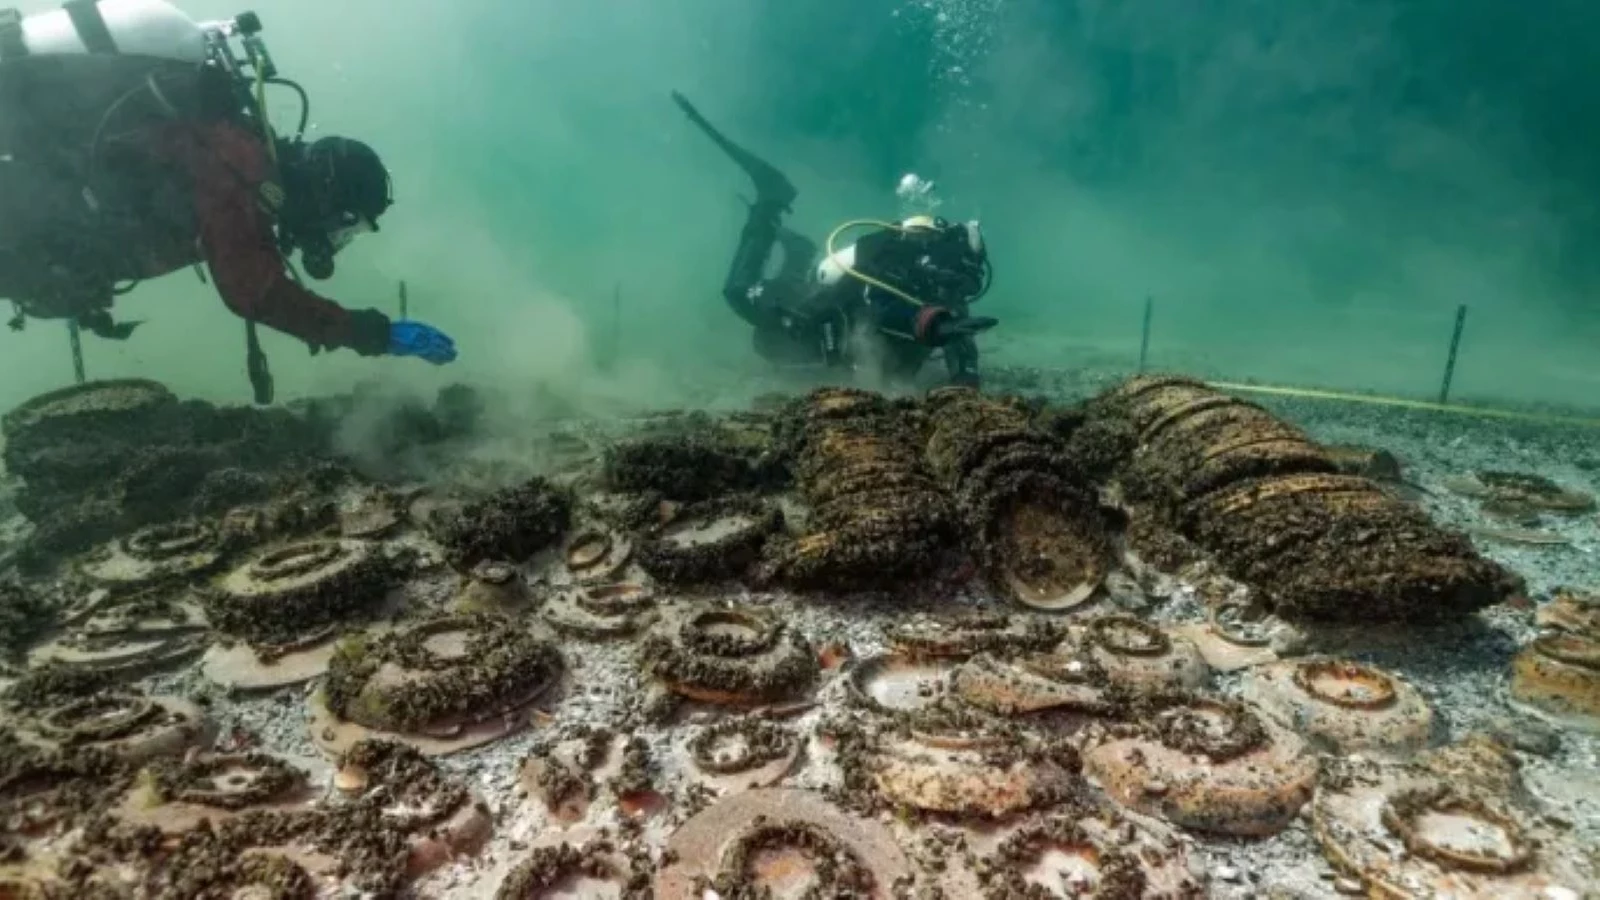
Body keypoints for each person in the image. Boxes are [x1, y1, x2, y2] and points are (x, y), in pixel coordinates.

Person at [0, 0, 455, 391]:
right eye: (345, 226)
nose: (335, 240)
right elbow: (254, 292)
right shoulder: (240, 162)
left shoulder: (239, 148)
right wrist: (375, 334)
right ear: (326, 194)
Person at [671, 91, 996, 387]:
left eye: (965, 285)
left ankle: (799, 253)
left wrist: (966, 376)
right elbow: (881, 307)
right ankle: (770, 202)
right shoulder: (899, 257)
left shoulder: (941, 288)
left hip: (829, 313)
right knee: (739, 294)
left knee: (781, 332)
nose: (959, 292)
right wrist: (931, 326)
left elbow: (959, 336)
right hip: (819, 311)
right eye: (960, 279)